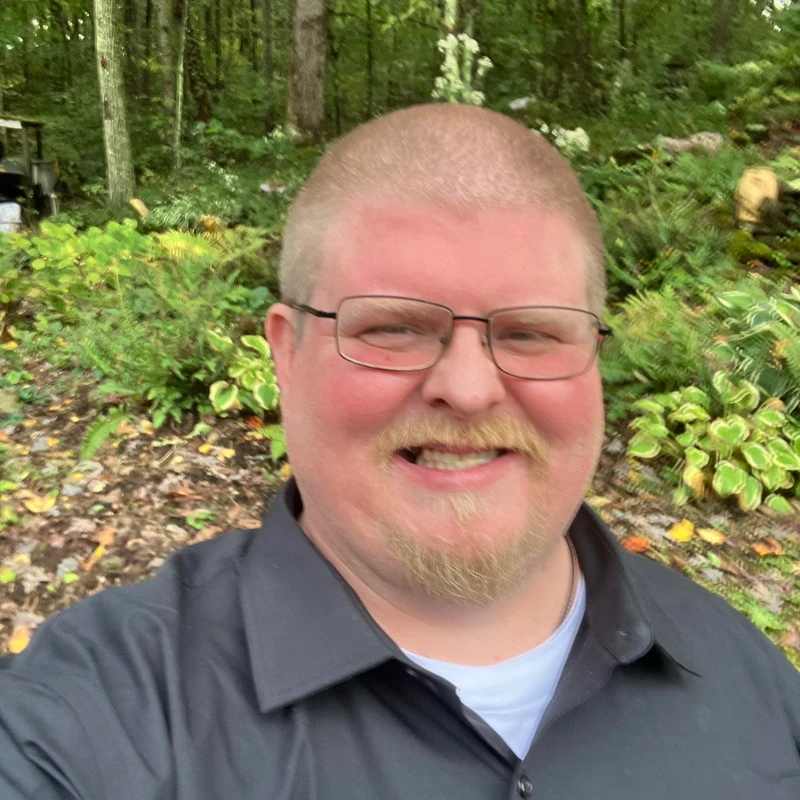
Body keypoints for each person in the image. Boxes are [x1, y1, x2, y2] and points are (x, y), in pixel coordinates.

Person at [1, 103, 798, 799]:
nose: (469, 388)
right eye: (393, 328)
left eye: (531, 333)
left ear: (592, 357)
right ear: (286, 353)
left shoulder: (754, 688)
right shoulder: (94, 717)